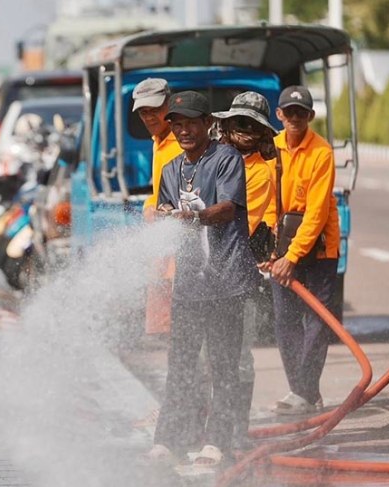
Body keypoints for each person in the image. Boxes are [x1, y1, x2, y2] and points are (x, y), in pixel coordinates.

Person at [152, 91, 259, 467]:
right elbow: (166, 216)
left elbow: (229, 209)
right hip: (190, 286)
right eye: (177, 124)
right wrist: (165, 214)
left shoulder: (226, 159)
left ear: (206, 125)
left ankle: (218, 441)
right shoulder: (170, 170)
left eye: (190, 122)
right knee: (180, 365)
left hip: (226, 281)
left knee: (224, 365)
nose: (183, 130)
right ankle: (169, 438)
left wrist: (192, 218)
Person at [266, 85, 340, 415]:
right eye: (289, 112)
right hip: (280, 248)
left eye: (301, 113)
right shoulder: (271, 148)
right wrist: (271, 250)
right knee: (285, 321)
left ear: (310, 116)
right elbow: (268, 203)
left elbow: (317, 213)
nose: (295, 118)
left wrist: (292, 257)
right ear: (279, 115)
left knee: (318, 320)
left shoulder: (321, 153)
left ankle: (303, 391)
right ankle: (304, 391)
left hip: (319, 248)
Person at [212, 90, 279, 448]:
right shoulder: (213, 160)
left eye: (253, 125)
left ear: (262, 133)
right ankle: (213, 429)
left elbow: (236, 223)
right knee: (208, 356)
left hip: (238, 275)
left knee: (237, 356)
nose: (245, 130)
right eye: (240, 122)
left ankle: (236, 431)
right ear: (227, 124)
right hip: (206, 273)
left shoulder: (259, 174)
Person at [132, 78, 180, 219]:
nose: (149, 117)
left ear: (170, 104)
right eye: (143, 112)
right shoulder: (158, 141)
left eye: (155, 110)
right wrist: (150, 205)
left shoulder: (184, 143)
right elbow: (160, 193)